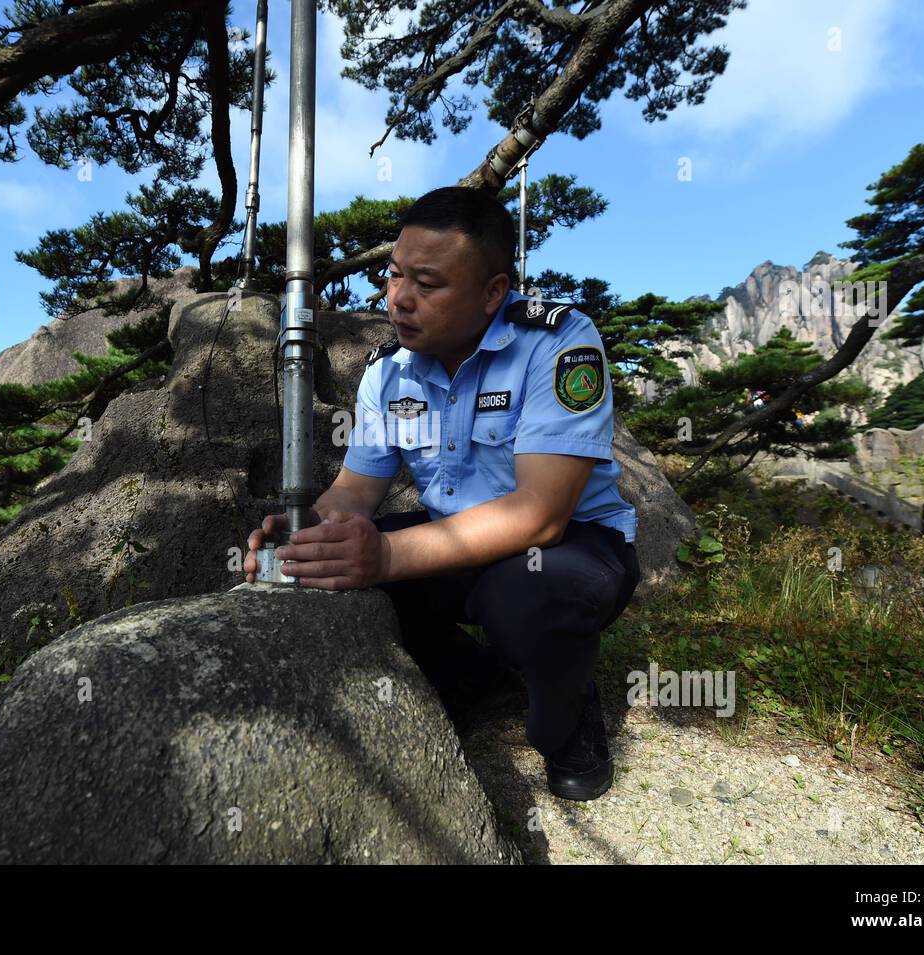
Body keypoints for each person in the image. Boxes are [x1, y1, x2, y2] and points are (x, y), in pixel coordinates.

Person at [243, 186, 640, 802]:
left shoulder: (558, 343)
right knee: (325, 564)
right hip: (455, 537)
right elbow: (357, 488)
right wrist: (305, 530)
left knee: (531, 599)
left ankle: (567, 717)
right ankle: (475, 680)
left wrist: (386, 558)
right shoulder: (389, 371)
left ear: (492, 293)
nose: (398, 298)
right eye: (395, 273)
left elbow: (539, 516)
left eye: (426, 284)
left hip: (569, 545)